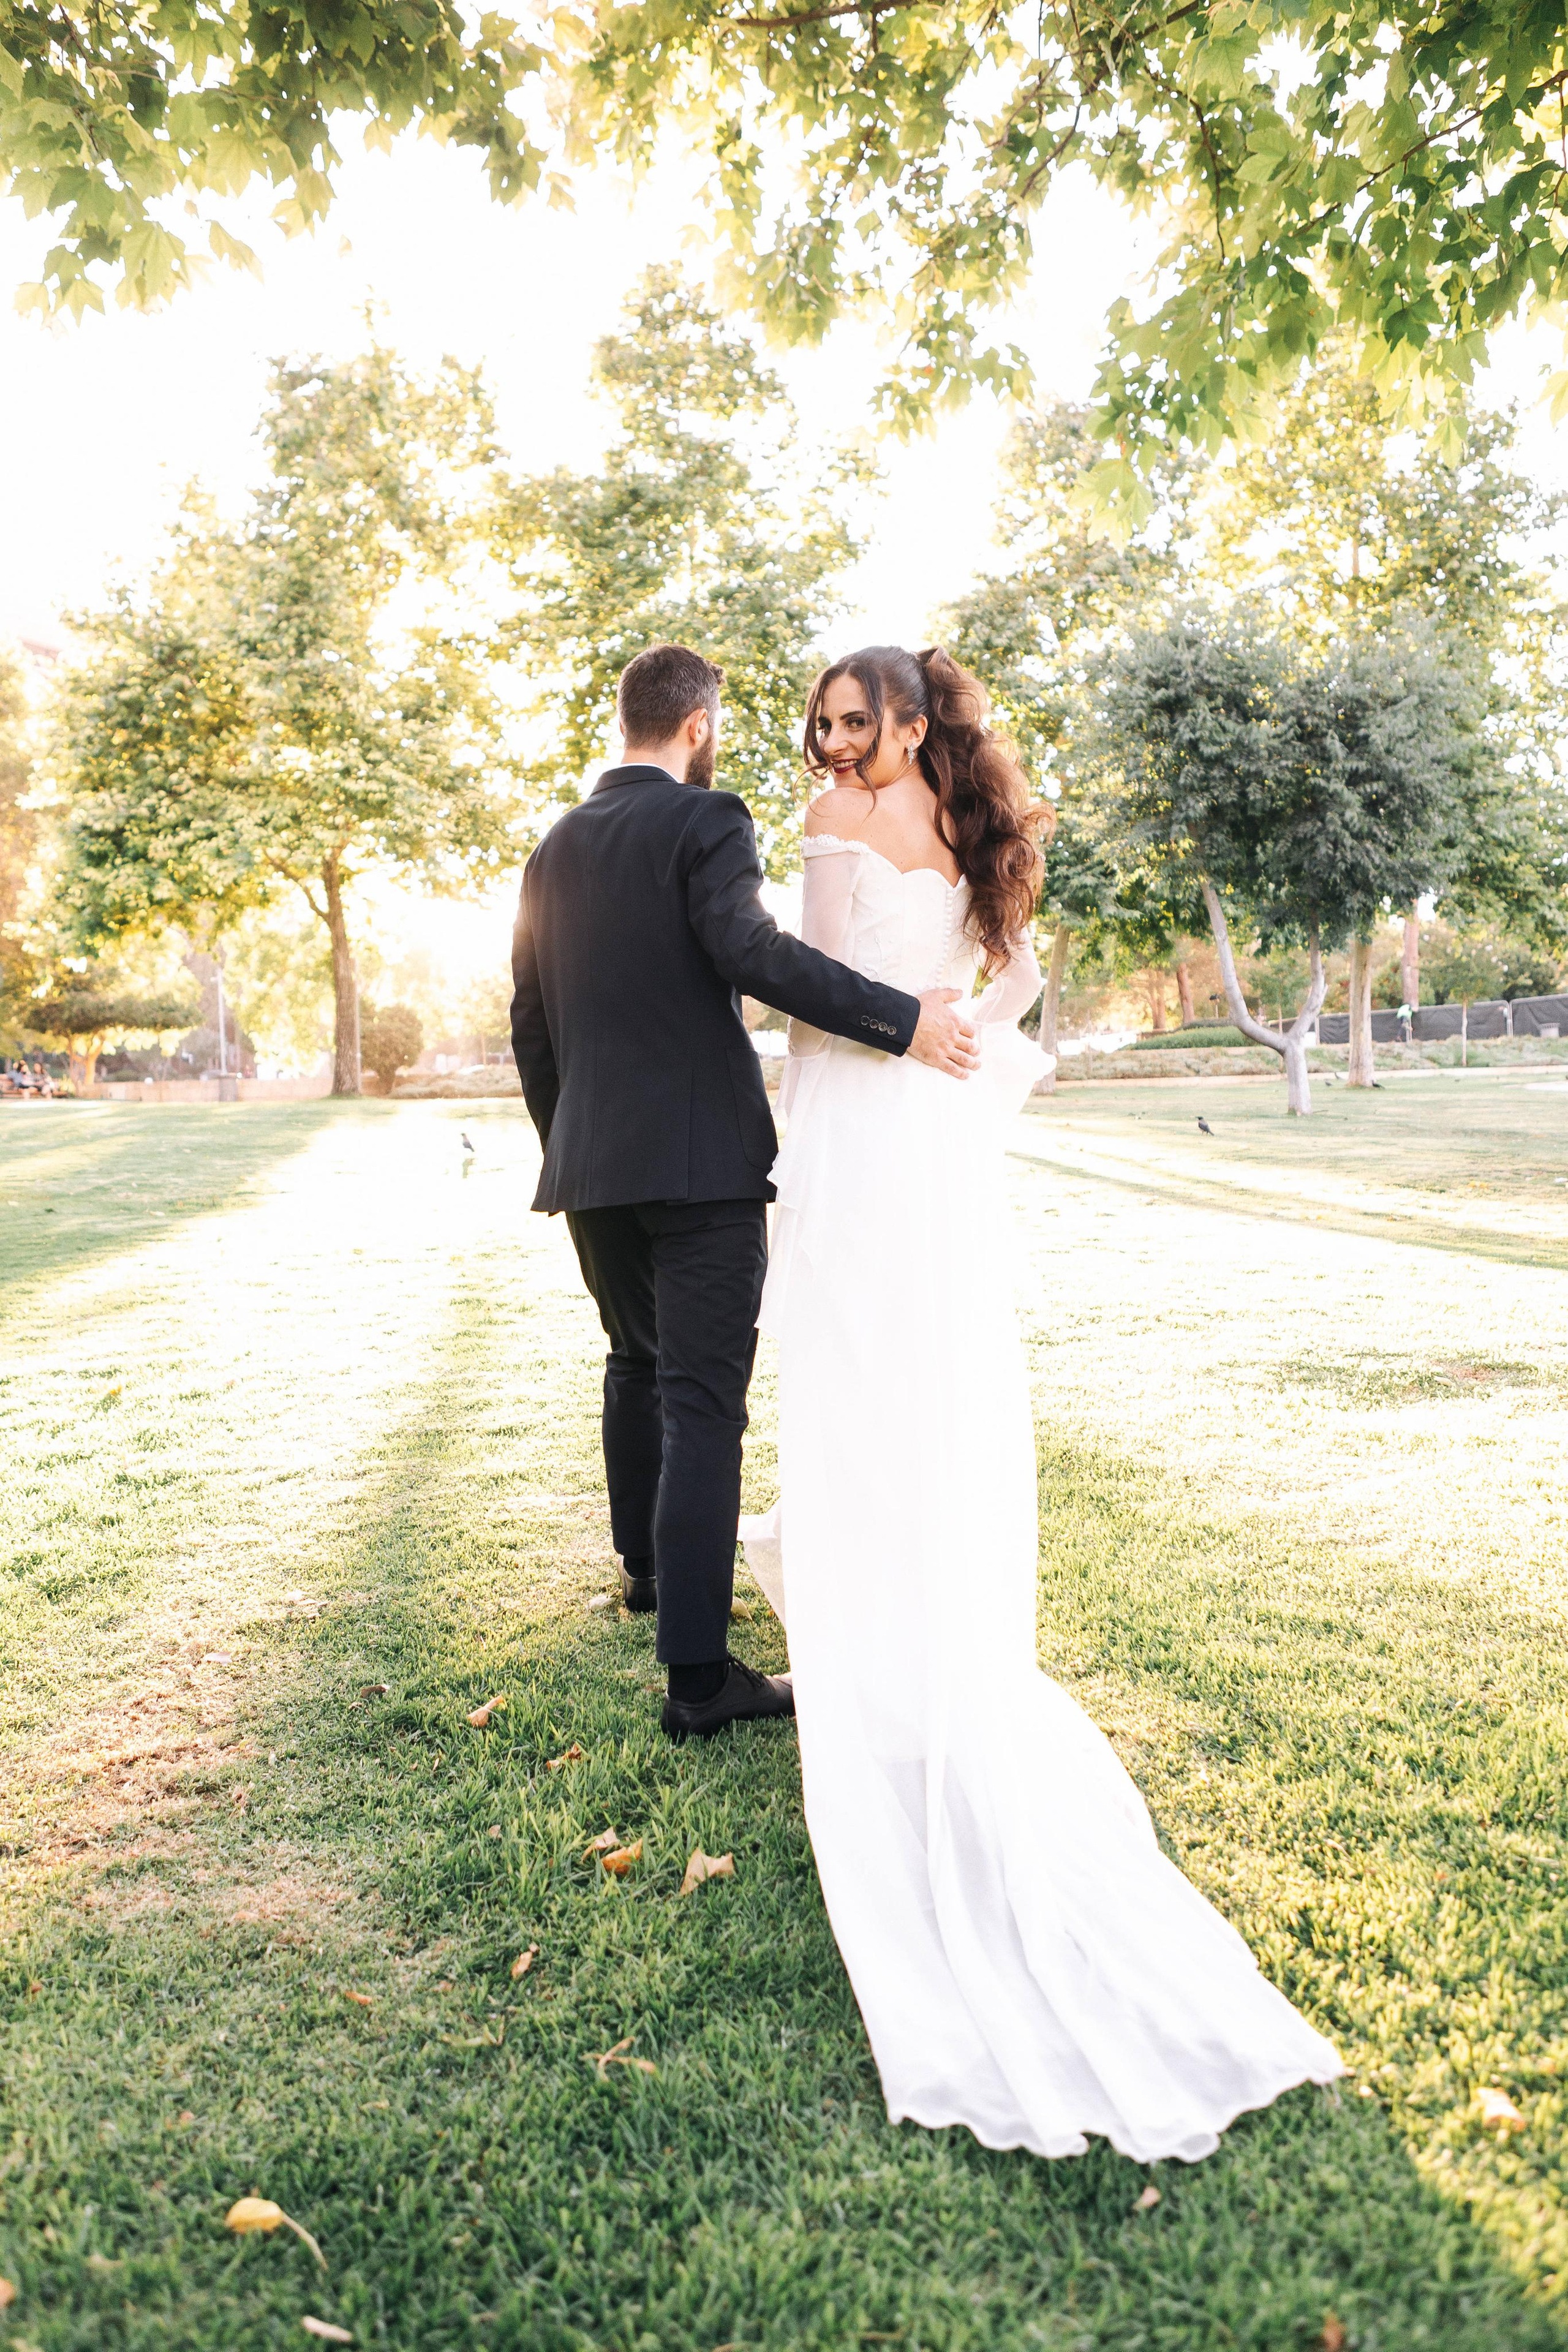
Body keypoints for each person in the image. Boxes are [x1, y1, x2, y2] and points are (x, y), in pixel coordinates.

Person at [741, 643, 1343, 2163]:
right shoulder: (968, 824)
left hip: (868, 1131)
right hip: (933, 1136)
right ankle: (906, 1624)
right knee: (925, 1380)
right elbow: (1013, 985)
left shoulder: (833, 825)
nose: (831, 742)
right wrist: (952, 1022)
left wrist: (882, 1047)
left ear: (903, 717)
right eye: (821, 723)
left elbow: (814, 1002)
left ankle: (872, 1637)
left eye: (852, 720)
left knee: (861, 1382)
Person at [510, 642, 980, 1741]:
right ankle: (699, 1678)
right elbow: (752, 951)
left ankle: (647, 1572)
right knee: (702, 1404)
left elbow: (530, 1020)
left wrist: (569, 1143)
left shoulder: (553, 846)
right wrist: (902, 1021)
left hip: (590, 1166)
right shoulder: (707, 820)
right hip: (702, 1167)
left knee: (634, 1362)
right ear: (699, 726)